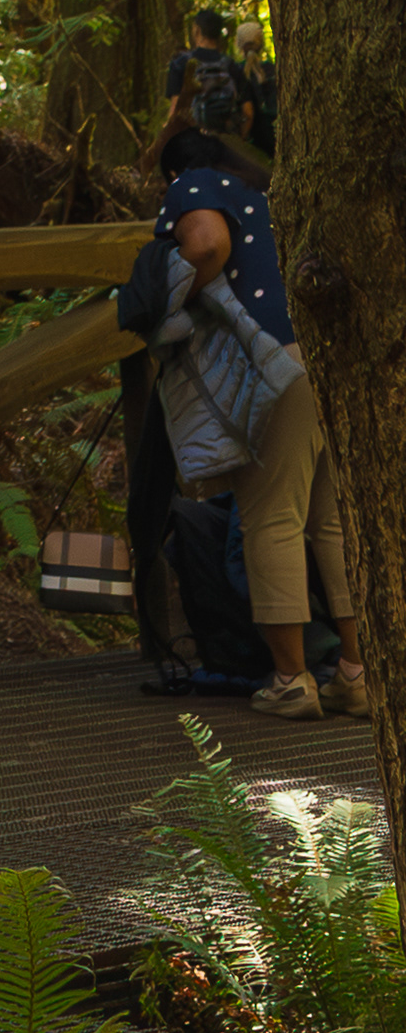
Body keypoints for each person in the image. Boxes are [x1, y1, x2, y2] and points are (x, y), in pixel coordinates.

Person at [135, 167, 369, 720]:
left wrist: (166, 299)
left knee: (270, 517)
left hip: (272, 361)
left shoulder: (195, 182)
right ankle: (357, 676)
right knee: (333, 522)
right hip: (332, 353)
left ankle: (292, 680)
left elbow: (208, 244)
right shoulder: (289, 178)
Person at [166, 12, 280, 166]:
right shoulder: (232, 67)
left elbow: (175, 112)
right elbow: (248, 113)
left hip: (193, 148)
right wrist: (239, 140)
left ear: (196, 31)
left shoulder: (180, 64)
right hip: (226, 149)